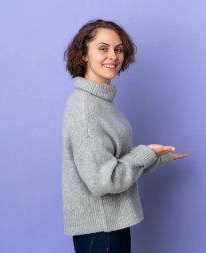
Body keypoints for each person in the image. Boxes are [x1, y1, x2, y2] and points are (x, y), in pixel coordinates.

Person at [62, 19, 190, 253]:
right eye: (103, 48)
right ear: (84, 55)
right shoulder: (85, 108)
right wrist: (145, 153)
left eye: (118, 49)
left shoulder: (100, 102)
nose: (113, 55)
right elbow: (104, 180)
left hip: (109, 226)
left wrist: (157, 157)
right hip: (101, 232)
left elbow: (116, 164)